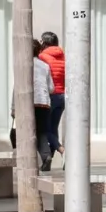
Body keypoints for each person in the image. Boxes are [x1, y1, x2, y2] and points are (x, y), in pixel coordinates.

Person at [10, 39, 53, 170]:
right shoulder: (45, 66)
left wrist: (13, 107)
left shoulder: (22, 66)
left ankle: (23, 159)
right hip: (44, 103)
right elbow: (51, 88)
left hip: (27, 103)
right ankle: (46, 155)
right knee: (41, 132)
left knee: (22, 132)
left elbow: (16, 88)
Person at [39, 32, 65, 168]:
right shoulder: (63, 56)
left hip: (50, 96)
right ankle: (48, 162)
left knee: (45, 129)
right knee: (53, 129)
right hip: (62, 96)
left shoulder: (42, 57)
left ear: (44, 42)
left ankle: (63, 151)